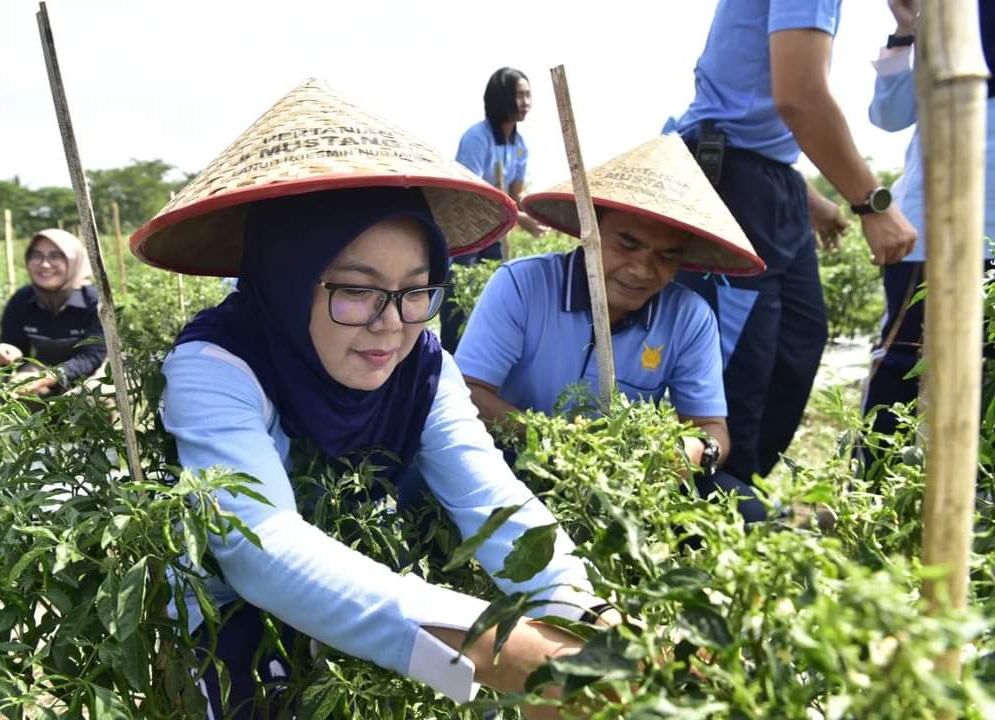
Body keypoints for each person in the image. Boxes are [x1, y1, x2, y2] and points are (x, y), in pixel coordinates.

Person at [131, 79, 609, 718]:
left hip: (376, 595)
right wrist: (502, 648)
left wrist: (588, 615)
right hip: (233, 618)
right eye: (356, 291)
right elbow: (259, 547)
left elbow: (494, 505)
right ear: (287, 277)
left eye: (415, 291)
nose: (391, 324)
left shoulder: (424, 368)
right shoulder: (216, 367)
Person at [663, 0, 918, 486]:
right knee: (737, 362)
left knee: (796, 345)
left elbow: (764, 109)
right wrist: (872, 203)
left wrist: (807, 197)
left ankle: (743, 485)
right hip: (732, 178)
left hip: (768, 176)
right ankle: (708, 496)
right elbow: (799, 97)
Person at [457, 134, 769, 523]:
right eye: (627, 244)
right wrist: (553, 441)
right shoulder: (523, 286)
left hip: (627, 484)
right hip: (514, 464)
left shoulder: (689, 318)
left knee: (746, 511)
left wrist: (684, 455)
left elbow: (712, 428)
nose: (642, 270)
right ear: (591, 228)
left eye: (666, 256)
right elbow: (468, 393)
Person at [861, 0, 995, 453]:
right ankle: (871, 481)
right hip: (933, 230)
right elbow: (889, 114)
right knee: (903, 364)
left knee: (988, 379)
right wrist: (905, 29)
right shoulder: (954, 13)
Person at [440, 67, 545, 353]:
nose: (526, 102)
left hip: (495, 230)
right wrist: (518, 218)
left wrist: (534, 212)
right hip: (468, 229)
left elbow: (516, 193)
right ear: (502, 98)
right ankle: (450, 358)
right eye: (519, 95)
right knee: (459, 298)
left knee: (492, 291)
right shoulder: (477, 138)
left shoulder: (519, 145)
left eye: (528, 95)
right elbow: (469, 193)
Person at [0, 229, 106, 396]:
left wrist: (52, 376)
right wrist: (7, 353)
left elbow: (92, 357)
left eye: (55, 256)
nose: (44, 264)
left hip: (94, 372)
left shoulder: (94, 302)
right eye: (36, 255)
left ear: (73, 261)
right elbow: (16, 347)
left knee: (96, 397)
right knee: (16, 391)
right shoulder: (22, 300)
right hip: (45, 367)